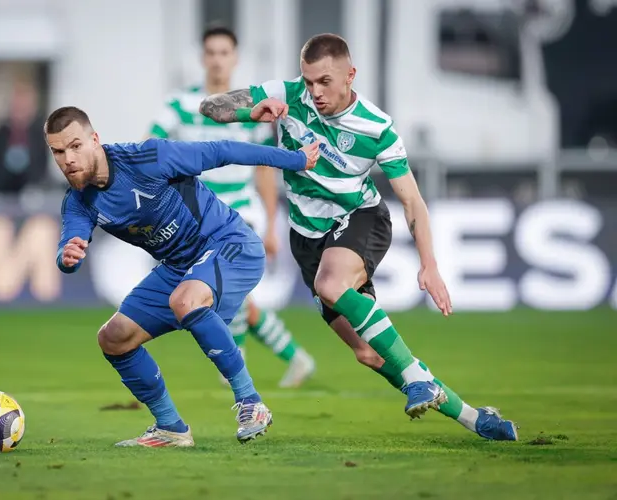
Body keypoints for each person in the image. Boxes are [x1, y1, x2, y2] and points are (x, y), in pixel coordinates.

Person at [199, 33, 518, 441]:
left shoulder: (377, 126)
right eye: (308, 81)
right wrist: (252, 111)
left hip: (360, 218)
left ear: (350, 75)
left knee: (330, 284)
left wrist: (429, 265)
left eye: (325, 82)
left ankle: (419, 381)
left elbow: (413, 201)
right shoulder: (289, 94)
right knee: (368, 353)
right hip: (307, 239)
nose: (315, 92)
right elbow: (211, 107)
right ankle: (475, 419)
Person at [46, 106, 320, 447]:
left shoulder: (149, 158)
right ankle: (170, 428)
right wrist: (67, 257)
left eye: (75, 146)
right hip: (179, 267)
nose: (68, 159)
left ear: (95, 140)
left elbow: (223, 151)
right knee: (113, 337)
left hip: (229, 243)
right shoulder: (78, 202)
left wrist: (295, 160)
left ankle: (251, 403)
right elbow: (69, 245)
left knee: (185, 300)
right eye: (58, 152)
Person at [148, 25, 315, 388]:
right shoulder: (180, 104)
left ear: (234, 58)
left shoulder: (251, 109)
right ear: (202, 58)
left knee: (228, 291)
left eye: (224, 52)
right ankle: (295, 357)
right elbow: (152, 147)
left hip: (241, 211)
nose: (217, 60)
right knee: (228, 296)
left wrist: (271, 223)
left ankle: (235, 364)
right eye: (211, 52)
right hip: (196, 217)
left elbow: (265, 170)